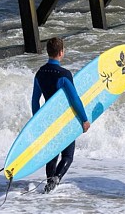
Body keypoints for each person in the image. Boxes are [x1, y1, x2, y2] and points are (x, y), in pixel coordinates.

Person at [32, 37, 91, 193]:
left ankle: (49, 182)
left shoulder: (40, 73)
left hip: (47, 120)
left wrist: (36, 121)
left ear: (48, 52)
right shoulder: (64, 74)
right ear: (61, 52)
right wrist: (84, 119)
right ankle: (55, 179)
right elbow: (75, 99)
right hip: (63, 120)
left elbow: (34, 100)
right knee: (68, 155)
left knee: (52, 153)